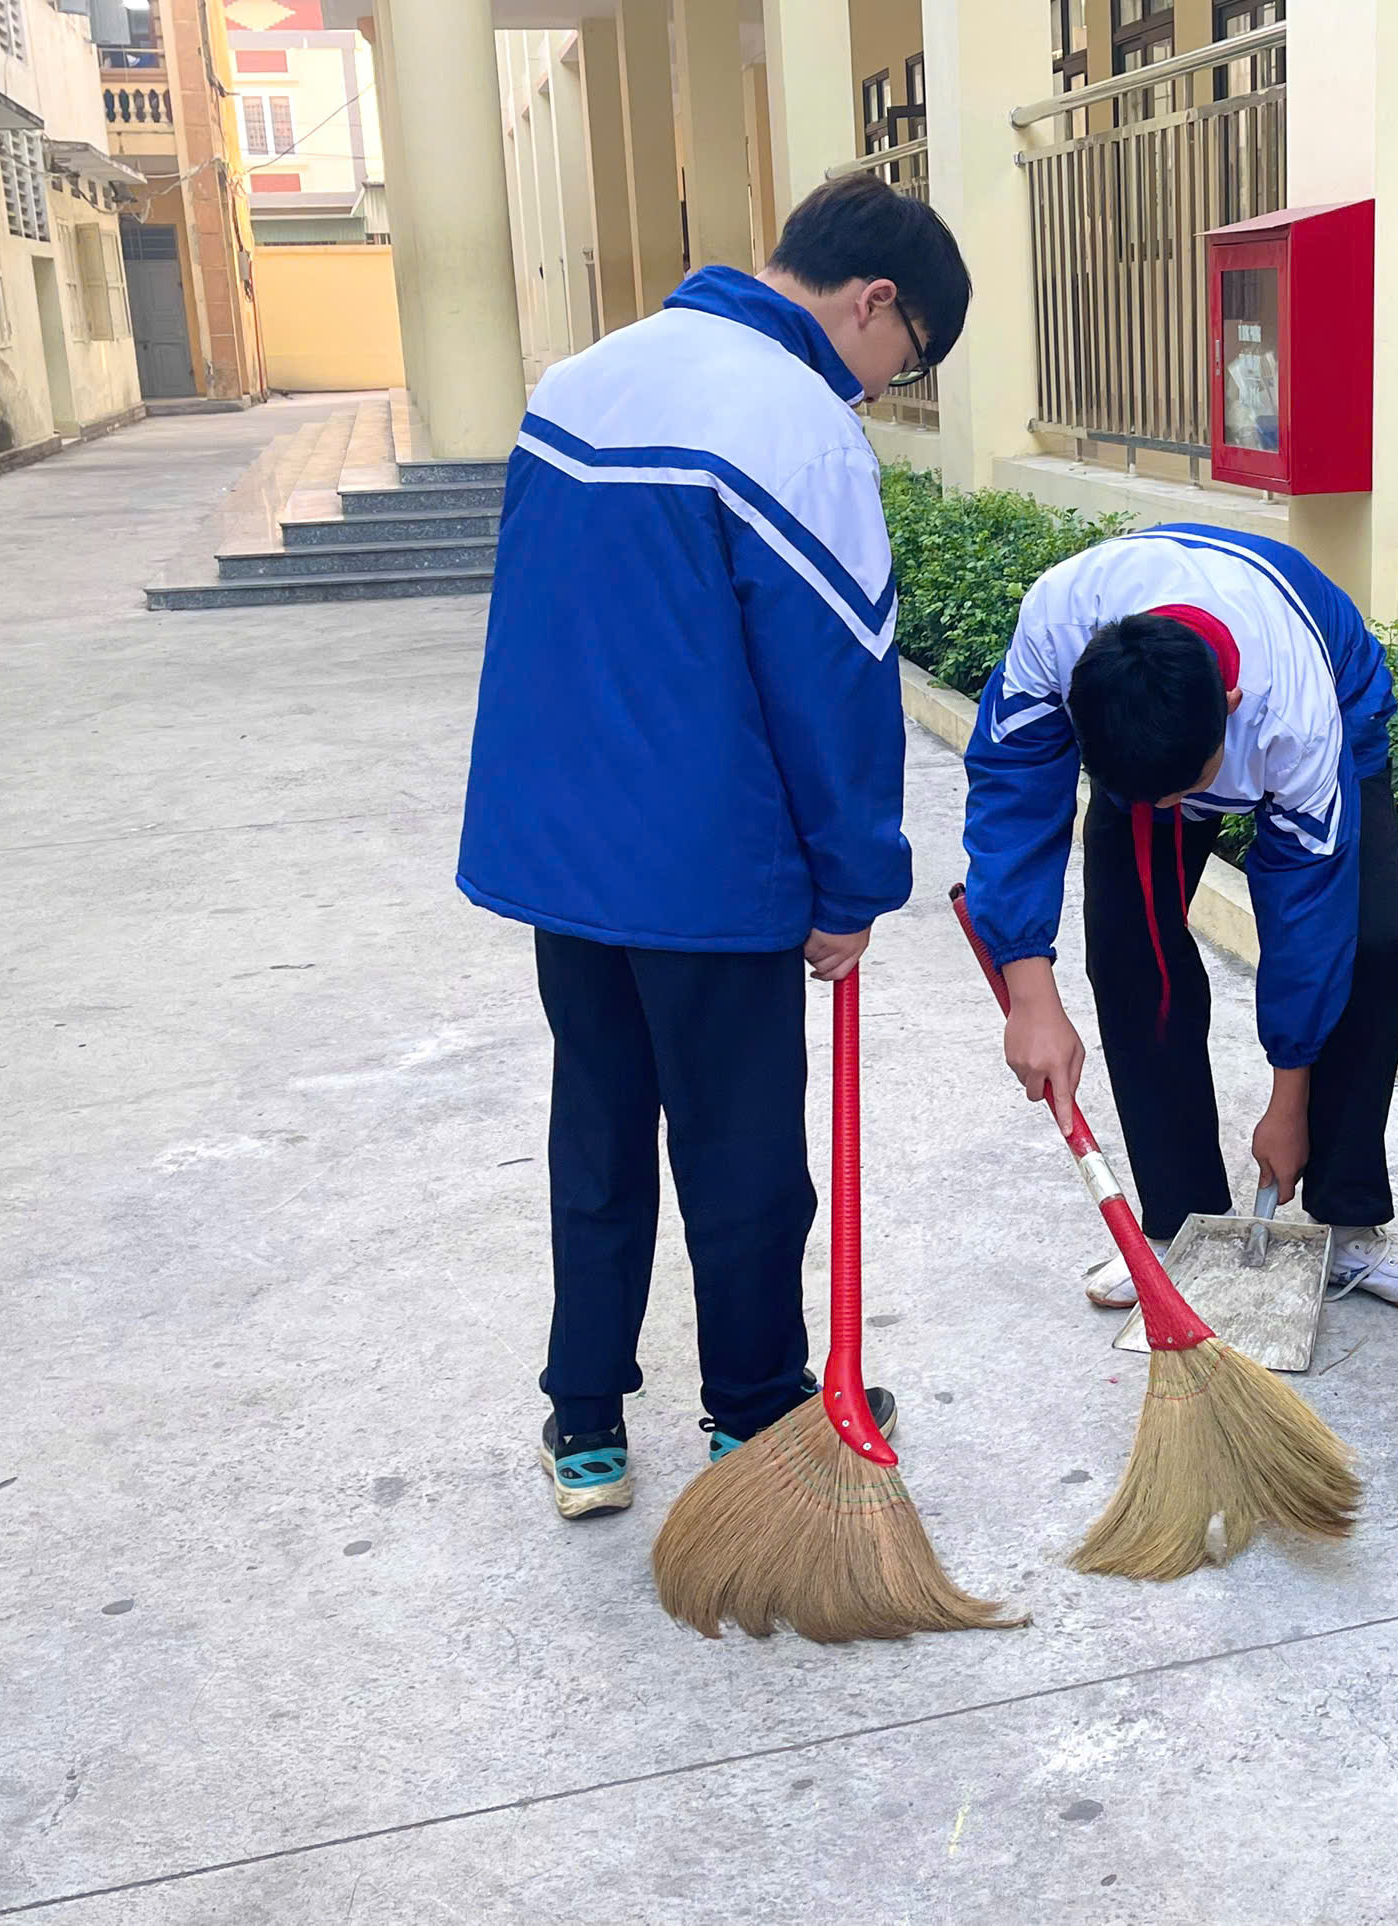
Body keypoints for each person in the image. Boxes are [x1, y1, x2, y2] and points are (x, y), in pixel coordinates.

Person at [456, 176, 970, 1518]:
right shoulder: (796, 426)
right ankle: (755, 1409)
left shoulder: (580, 383)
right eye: (905, 360)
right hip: (708, 866)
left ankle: (584, 1423)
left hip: (568, 858)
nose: (882, 389)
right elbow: (835, 687)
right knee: (742, 1155)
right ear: (874, 303)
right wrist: (854, 882)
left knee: (599, 1128)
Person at [960, 525, 1398, 1317]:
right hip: (1156, 722)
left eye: (1185, 789)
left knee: (1365, 950)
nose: (1174, 807)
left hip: (1337, 696)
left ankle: (1348, 1222)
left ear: (1229, 713)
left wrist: (1288, 1102)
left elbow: (1308, 912)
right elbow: (1012, 792)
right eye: (1155, 796)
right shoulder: (1055, 631)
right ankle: (1181, 1224)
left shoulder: (1295, 716)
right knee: (1131, 954)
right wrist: (1028, 993)